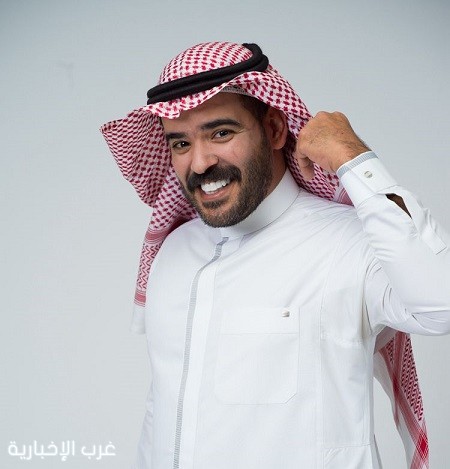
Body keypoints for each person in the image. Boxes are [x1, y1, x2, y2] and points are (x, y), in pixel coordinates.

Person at [101, 42, 450, 469]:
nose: (200, 163)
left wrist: (353, 158)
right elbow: (165, 412)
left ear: (274, 130)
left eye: (221, 133)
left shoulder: (348, 242)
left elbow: (442, 307)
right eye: (180, 143)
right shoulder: (173, 252)